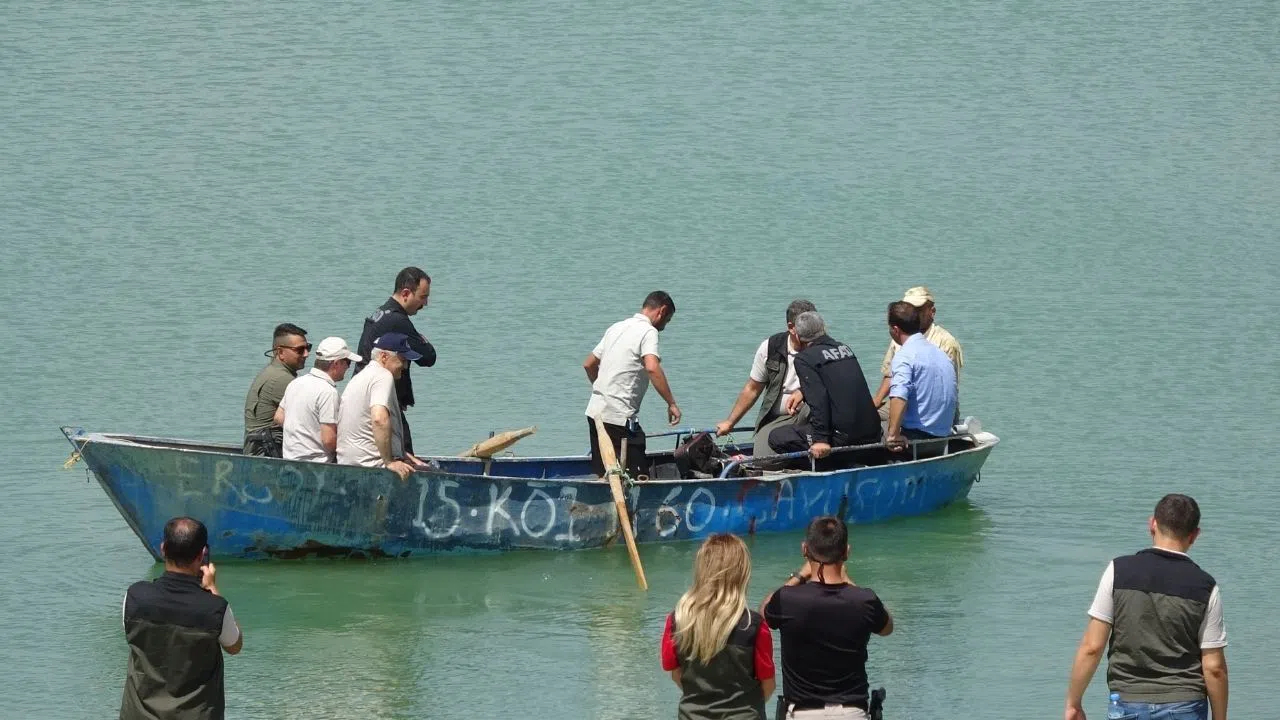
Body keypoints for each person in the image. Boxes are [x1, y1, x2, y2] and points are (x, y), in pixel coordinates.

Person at [1065, 494, 1228, 720]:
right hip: (1185, 705)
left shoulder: (1118, 571)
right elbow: (1214, 668)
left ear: (1152, 524)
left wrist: (1074, 703)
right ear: (1195, 535)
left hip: (1127, 702)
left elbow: (1092, 646)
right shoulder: (1205, 586)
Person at [761, 516, 893, 719]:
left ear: (805, 549)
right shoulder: (864, 601)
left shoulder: (788, 600)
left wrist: (798, 576)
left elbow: (764, 611)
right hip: (852, 713)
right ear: (846, 551)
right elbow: (887, 627)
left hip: (802, 713)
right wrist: (849, 582)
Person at [120, 517, 243, 720]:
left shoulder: (134, 597)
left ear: (163, 549)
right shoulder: (215, 608)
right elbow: (234, 645)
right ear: (202, 555)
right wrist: (212, 588)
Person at [661, 534, 775, 720]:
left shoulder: (677, 621)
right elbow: (768, 685)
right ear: (741, 573)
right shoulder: (754, 625)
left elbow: (676, 675)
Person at [583, 291, 681, 479]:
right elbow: (652, 367)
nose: (664, 327)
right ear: (662, 311)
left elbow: (589, 364)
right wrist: (672, 403)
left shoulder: (616, 327)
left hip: (595, 412)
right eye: (667, 320)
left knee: (605, 474)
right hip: (619, 417)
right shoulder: (648, 331)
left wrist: (603, 389)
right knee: (637, 476)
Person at [766, 312, 881, 466]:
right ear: (824, 329)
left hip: (843, 439)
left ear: (799, 338)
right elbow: (839, 384)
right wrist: (803, 392)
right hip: (872, 433)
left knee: (777, 436)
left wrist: (821, 440)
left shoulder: (804, 359)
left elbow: (818, 399)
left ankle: (824, 466)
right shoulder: (844, 349)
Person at [713, 300, 817, 458]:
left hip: (812, 416)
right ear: (791, 327)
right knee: (763, 460)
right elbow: (752, 389)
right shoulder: (770, 348)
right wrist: (730, 422)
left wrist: (804, 391)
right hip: (779, 419)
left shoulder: (823, 348)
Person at [354, 267, 438, 455]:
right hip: (382, 402)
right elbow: (428, 357)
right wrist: (420, 338)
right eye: (423, 297)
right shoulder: (397, 321)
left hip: (366, 398)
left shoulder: (380, 313)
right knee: (403, 457)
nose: (425, 303)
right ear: (406, 293)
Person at [337, 333, 420, 480]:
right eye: (402, 359)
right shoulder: (382, 376)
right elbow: (379, 419)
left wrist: (401, 452)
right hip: (371, 467)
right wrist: (390, 462)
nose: (406, 366)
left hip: (350, 463)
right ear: (384, 357)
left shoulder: (361, 377)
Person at [872, 287, 962, 422]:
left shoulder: (946, 342)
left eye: (918, 309)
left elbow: (946, 386)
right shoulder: (898, 337)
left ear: (932, 312)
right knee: (865, 417)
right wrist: (874, 403)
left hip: (931, 405)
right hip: (901, 399)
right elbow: (890, 375)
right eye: (909, 308)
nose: (913, 313)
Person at [882, 302, 958, 459]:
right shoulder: (941, 354)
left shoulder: (905, 355)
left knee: (863, 433)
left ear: (895, 330)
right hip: (943, 437)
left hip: (917, 440)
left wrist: (893, 435)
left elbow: (899, 396)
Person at [274, 337, 361, 462]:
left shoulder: (296, 383)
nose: (348, 367)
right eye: (347, 362)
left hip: (290, 460)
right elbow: (328, 440)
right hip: (318, 466)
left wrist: (305, 432)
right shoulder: (328, 392)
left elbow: (279, 417)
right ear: (336, 364)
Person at [243, 323, 309, 457]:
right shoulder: (281, 379)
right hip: (267, 456)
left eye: (308, 348)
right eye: (300, 350)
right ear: (280, 352)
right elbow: (310, 419)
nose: (306, 354)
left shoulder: (272, 372)